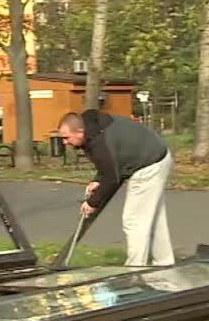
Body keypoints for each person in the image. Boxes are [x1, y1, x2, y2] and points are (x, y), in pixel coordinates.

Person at [57, 110, 174, 267]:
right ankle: (164, 263)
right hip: (157, 155)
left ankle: (135, 269)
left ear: (80, 131)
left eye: (66, 137)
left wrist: (92, 203)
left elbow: (112, 179)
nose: (65, 142)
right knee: (154, 217)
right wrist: (98, 180)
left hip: (148, 165)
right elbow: (109, 165)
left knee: (134, 220)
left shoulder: (99, 142)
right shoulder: (93, 127)